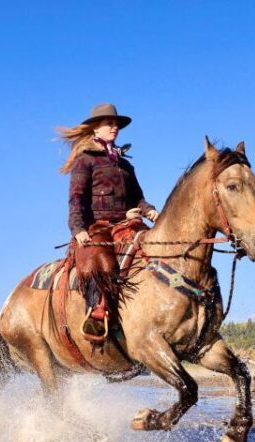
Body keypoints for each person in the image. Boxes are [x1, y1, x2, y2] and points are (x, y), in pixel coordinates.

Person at [58, 103, 158, 337]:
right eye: (109, 123)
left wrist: (148, 210)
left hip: (127, 225)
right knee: (100, 261)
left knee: (154, 250)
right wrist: (78, 228)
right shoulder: (85, 160)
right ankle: (96, 313)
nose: (114, 127)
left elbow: (138, 198)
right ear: (95, 128)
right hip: (97, 227)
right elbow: (76, 198)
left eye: (116, 124)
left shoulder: (125, 164)